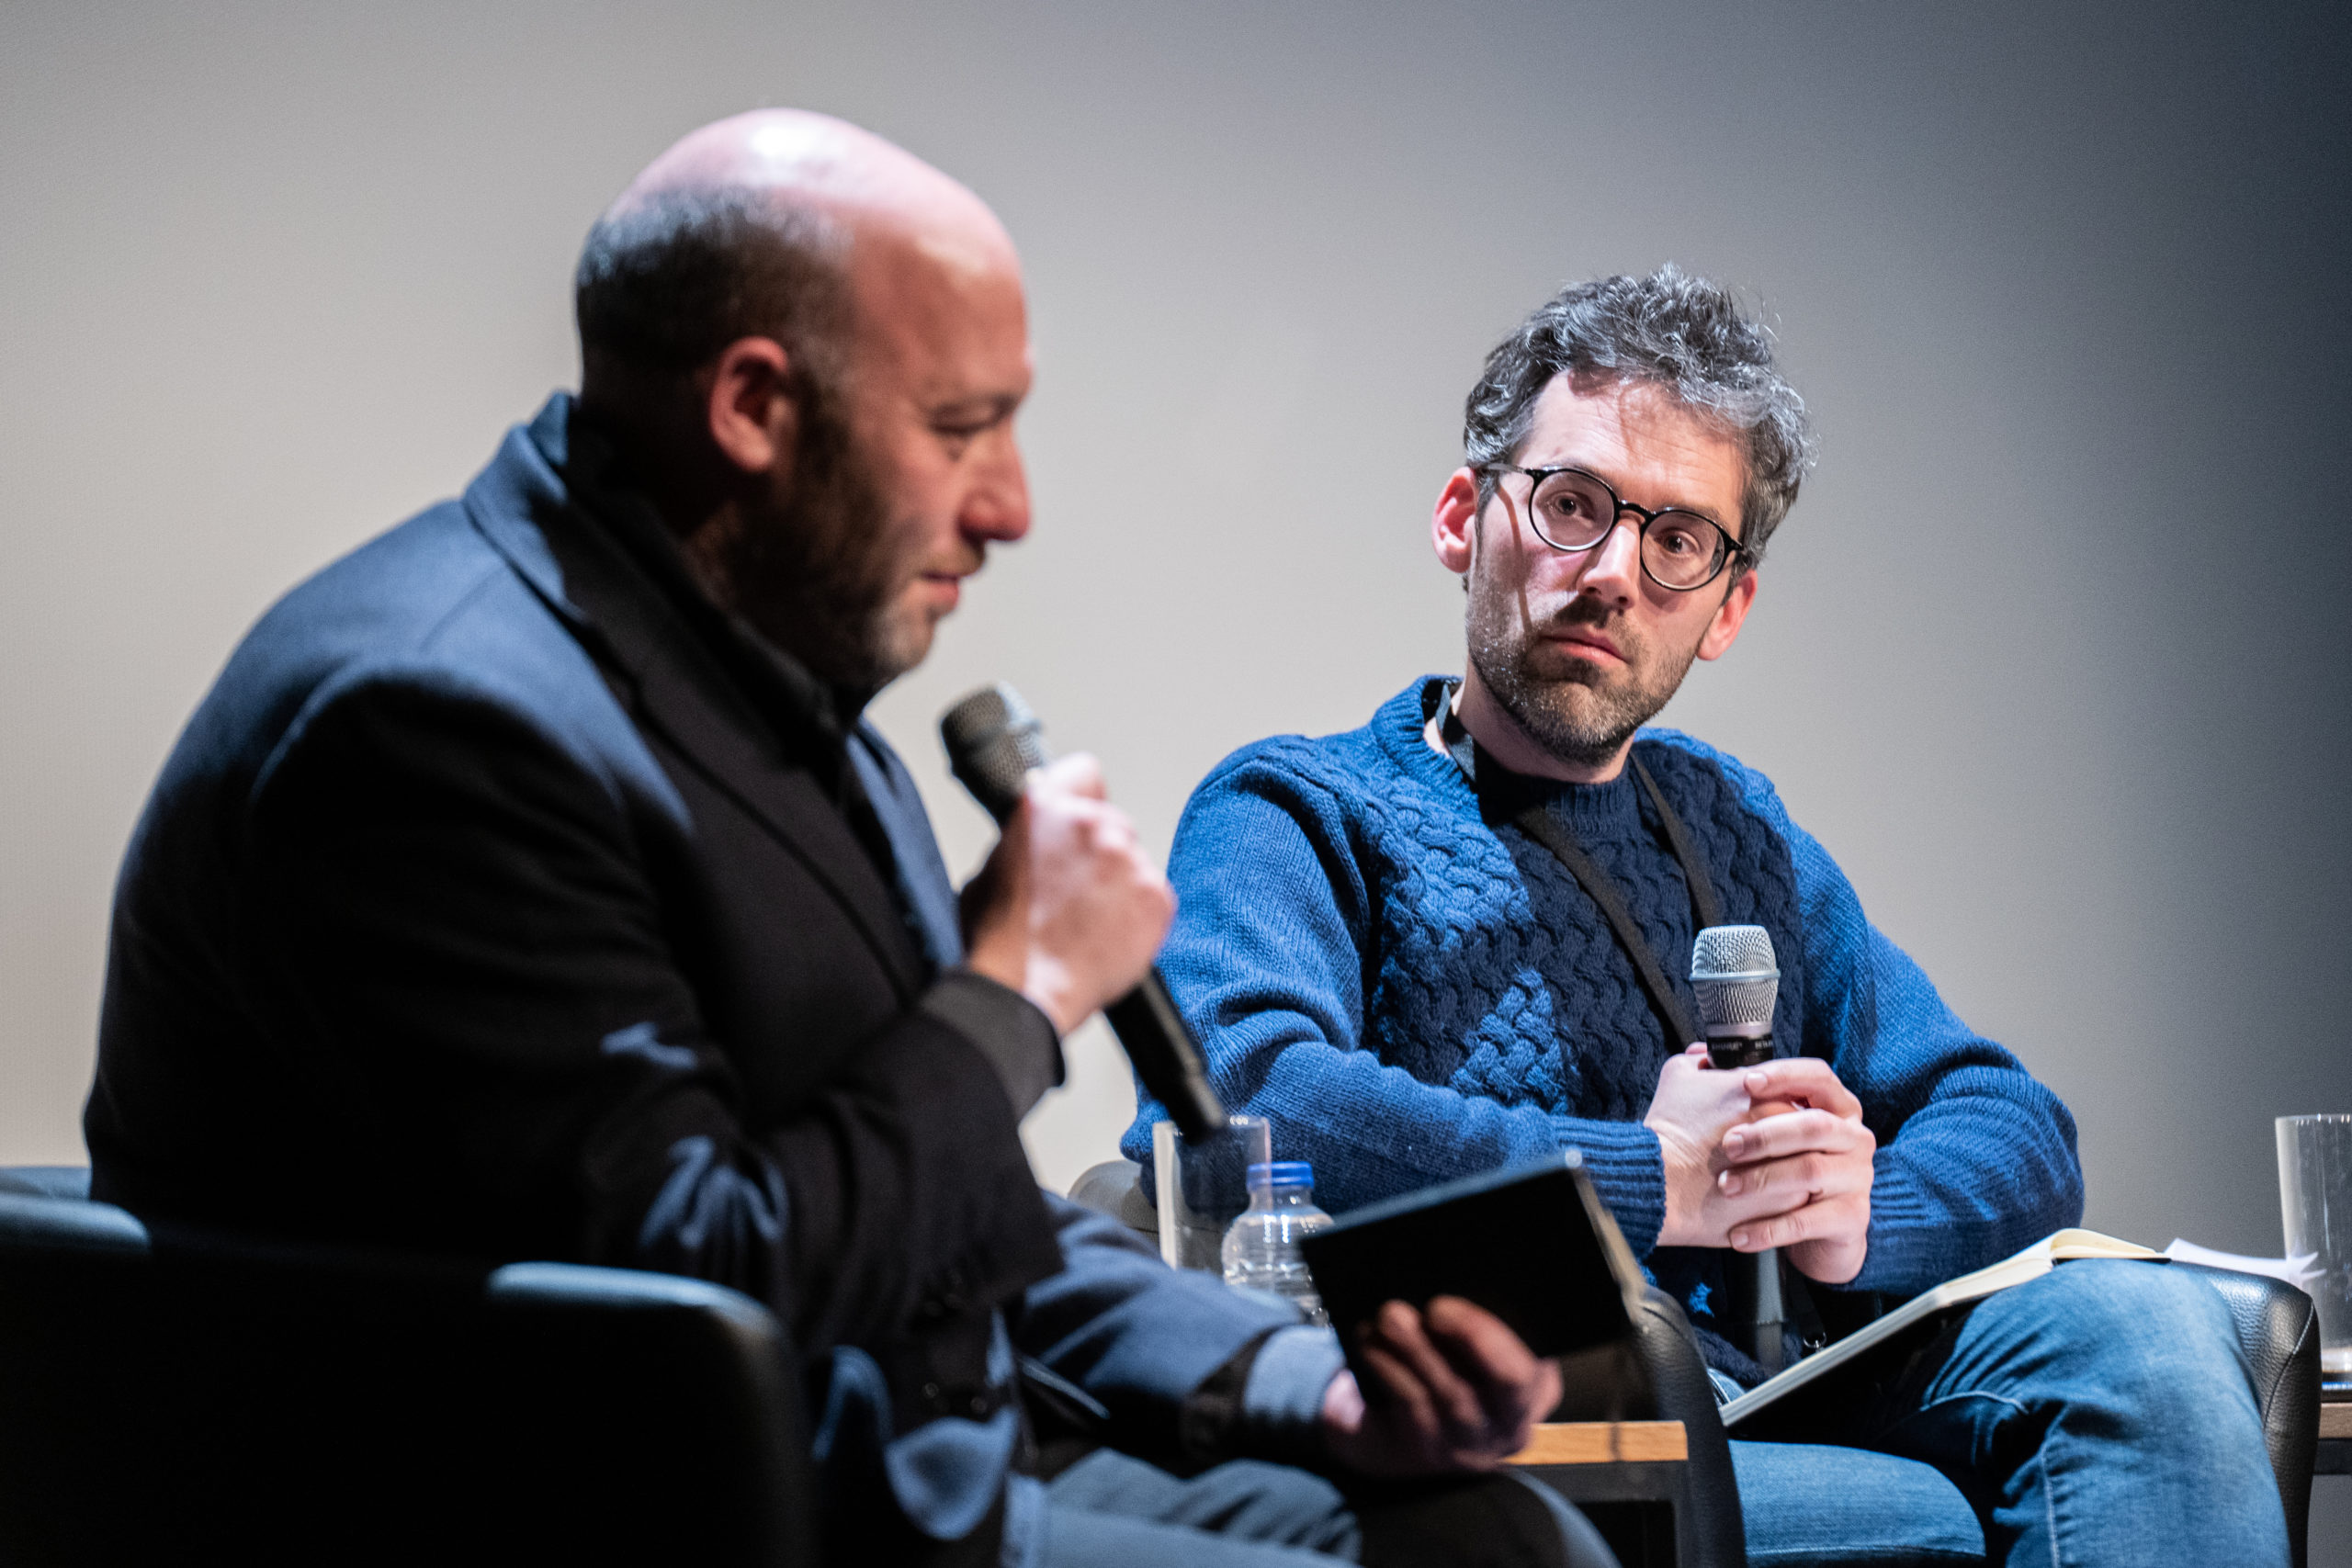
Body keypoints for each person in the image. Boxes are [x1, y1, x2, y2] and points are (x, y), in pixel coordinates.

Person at [83, 111, 1617, 1568]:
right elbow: (695, 1293)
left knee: (1505, 1533)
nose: (1009, 507)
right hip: (664, 1511)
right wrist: (1018, 989)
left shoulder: (778, 688)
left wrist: (1309, 1385)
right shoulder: (433, 727)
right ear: (753, 407)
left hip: (920, 1459)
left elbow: (960, 1213)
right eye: (961, 430)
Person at [1120, 268, 2292, 1565]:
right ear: (1464, 518)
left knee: (2149, 1327)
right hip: (1524, 1425)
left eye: (1677, 540)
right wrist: (1653, 1180)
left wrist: (1855, 1213)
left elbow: (2010, 1122)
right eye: (1572, 504)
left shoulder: (1736, 830)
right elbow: (1238, 1096)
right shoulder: (1301, 809)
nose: (1612, 573)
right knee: (1926, 1515)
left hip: (1773, 1394)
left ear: (1726, 606)